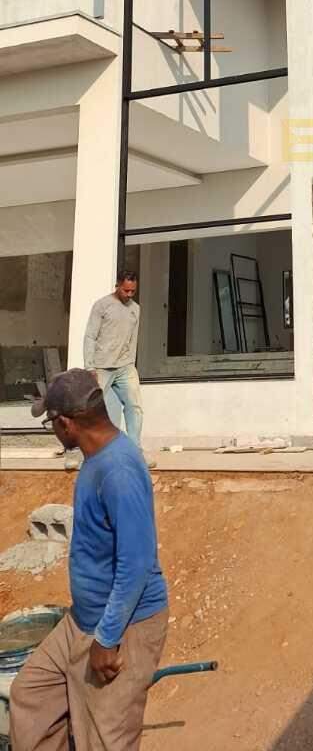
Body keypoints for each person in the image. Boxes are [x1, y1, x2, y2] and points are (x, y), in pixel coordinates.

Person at [11, 368, 169, 751]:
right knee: (30, 696)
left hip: (121, 626)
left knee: (104, 737)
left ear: (66, 423)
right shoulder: (96, 457)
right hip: (81, 620)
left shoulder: (119, 470)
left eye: (50, 421)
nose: (52, 429)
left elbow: (136, 564)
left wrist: (107, 638)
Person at [83, 269, 153, 466]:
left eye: (133, 291)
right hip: (101, 367)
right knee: (91, 409)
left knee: (135, 406)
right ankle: (85, 452)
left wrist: (130, 361)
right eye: (126, 291)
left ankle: (134, 451)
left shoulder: (135, 309)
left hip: (125, 366)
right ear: (117, 286)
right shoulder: (102, 306)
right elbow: (90, 336)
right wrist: (90, 367)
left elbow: (133, 338)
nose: (129, 295)